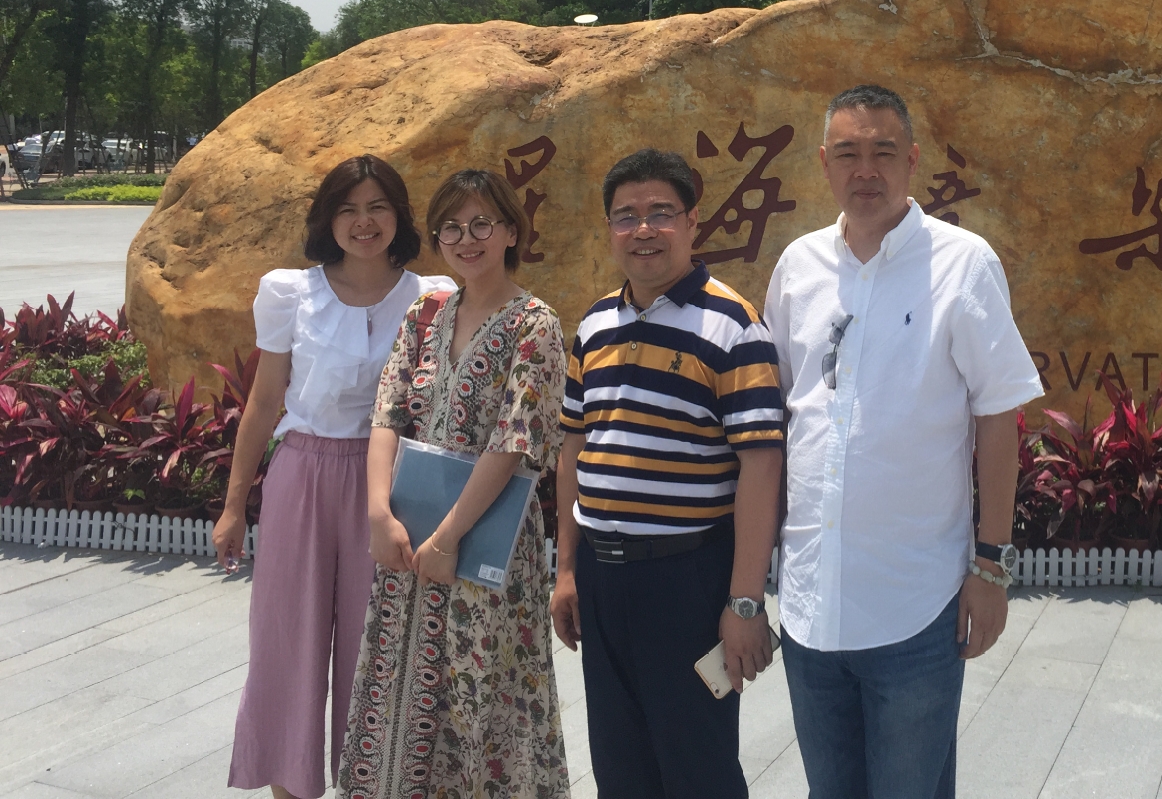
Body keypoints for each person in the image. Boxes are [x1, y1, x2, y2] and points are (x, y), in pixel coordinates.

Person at [764, 84, 1042, 799]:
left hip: (915, 605)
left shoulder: (963, 263)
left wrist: (992, 565)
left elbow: (998, 415)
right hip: (810, 602)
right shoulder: (797, 267)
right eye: (847, 154)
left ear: (912, 160)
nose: (866, 171)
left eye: (883, 152)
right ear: (824, 162)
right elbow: (784, 416)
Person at [548, 148, 784, 799]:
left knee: (699, 767)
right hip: (602, 577)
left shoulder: (734, 327)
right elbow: (573, 449)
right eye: (626, 216)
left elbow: (761, 466)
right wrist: (566, 571)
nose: (644, 229)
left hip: (688, 581)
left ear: (692, 220)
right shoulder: (595, 324)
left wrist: (744, 601)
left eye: (661, 212)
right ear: (609, 228)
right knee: (620, 766)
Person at [218, 154, 456, 799]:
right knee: (287, 643)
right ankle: (290, 784)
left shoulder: (433, 297)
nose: (363, 222)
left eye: (378, 207)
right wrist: (234, 505)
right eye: (348, 209)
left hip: (393, 488)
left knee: (377, 645)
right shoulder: (292, 293)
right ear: (327, 219)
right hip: (303, 474)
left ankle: (373, 784)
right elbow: (264, 401)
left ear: (400, 216)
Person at [338, 169, 571, 798]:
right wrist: (378, 513)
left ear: (511, 231)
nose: (466, 240)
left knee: (484, 700)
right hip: (410, 543)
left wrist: (449, 537)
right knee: (399, 693)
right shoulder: (426, 312)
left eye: (481, 224)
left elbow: (515, 442)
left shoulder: (535, 324)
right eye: (450, 228)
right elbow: (387, 413)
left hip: (485, 547)